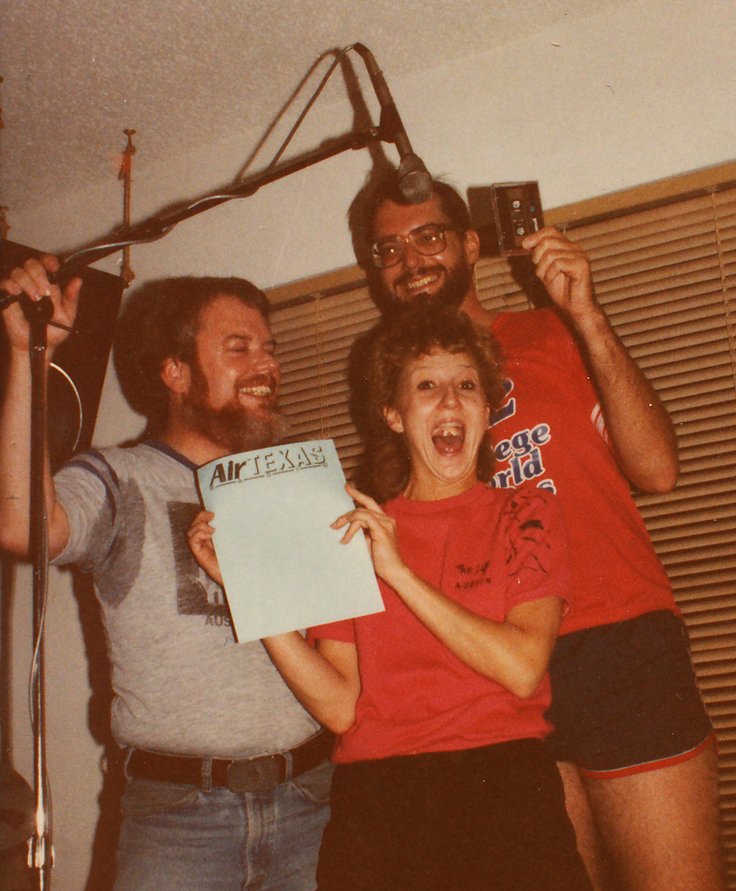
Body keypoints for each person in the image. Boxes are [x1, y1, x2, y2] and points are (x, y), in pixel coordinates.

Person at [347, 171, 725, 891]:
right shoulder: (397, 400)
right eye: (386, 247)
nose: (409, 257)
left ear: (470, 244)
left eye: (428, 235)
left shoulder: (549, 330)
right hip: (499, 678)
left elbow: (660, 469)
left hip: (617, 647)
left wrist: (586, 315)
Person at [189, 302, 593, 891]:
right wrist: (250, 591)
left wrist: (399, 573)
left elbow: (522, 666)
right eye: (427, 386)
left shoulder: (525, 513)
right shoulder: (351, 530)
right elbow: (340, 709)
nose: (450, 402)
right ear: (394, 414)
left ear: (487, 408)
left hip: (504, 787)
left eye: (466, 385)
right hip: (379, 804)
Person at [0, 257, 333, 891]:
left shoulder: (292, 484)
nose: (267, 365)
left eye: (269, 348)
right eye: (239, 348)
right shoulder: (119, 475)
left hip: (312, 801)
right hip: (180, 820)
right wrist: (27, 358)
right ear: (174, 372)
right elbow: (23, 528)